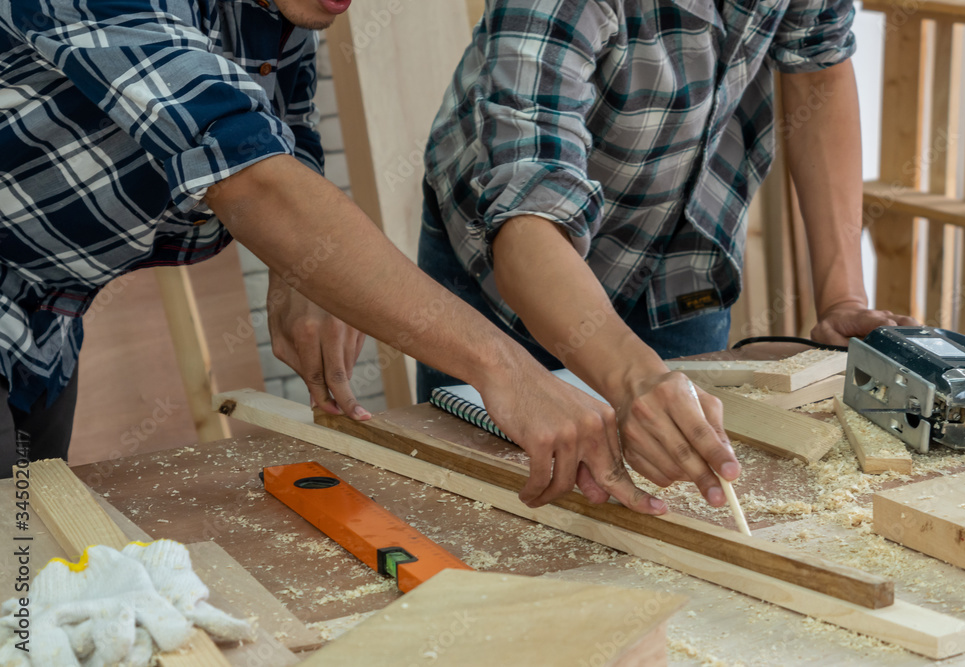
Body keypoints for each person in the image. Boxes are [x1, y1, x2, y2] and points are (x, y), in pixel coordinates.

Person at [0, 0, 706, 516]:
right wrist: (505, 366)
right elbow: (256, 180)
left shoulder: (278, 14)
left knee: (30, 569)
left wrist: (292, 267)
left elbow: (285, 139)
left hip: (45, 324)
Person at [416, 0, 918, 508]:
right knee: (486, 506)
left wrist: (843, 299)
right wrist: (635, 376)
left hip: (678, 257)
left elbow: (819, 71)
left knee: (684, 491)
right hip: (509, 256)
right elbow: (527, 214)